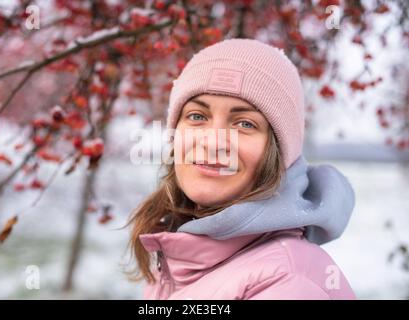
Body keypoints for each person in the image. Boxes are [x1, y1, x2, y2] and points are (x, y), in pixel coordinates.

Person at [125, 38, 356, 300]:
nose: (213, 142)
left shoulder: (288, 282)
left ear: (279, 153)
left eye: (244, 124)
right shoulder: (178, 253)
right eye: (197, 117)